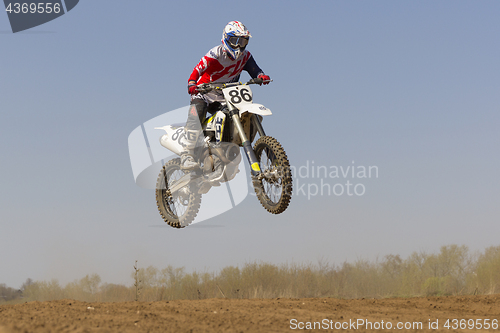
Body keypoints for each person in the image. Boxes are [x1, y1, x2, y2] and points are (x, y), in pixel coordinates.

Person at [181, 21, 271, 170]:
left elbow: (255, 70)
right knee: (197, 115)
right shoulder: (215, 54)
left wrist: (261, 76)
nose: (239, 46)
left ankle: (221, 150)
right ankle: (187, 156)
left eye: (243, 41)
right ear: (226, 39)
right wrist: (192, 83)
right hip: (205, 92)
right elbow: (197, 70)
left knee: (231, 116)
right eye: (235, 41)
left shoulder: (245, 56)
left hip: (225, 96)